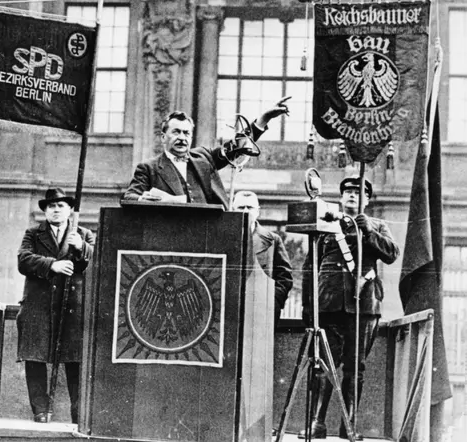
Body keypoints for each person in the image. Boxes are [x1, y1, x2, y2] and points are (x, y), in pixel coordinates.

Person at [299, 176, 399, 440]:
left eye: (359, 192)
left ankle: (349, 425)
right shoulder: (327, 224)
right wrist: (309, 307)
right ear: (342, 197)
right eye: (349, 192)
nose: (353, 195)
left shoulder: (377, 225)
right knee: (323, 366)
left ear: (367, 199)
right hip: (329, 303)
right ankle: (317, 424)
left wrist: (369, 232)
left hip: (364, 305)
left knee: (356, 368)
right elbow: (311, 266)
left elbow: (391, 254)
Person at [16, 188, 96, 424]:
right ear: (45, 211)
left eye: (61, 206)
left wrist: (82, 247)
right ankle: (40, 410)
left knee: (75, 361)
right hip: (39, 306)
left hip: (72, 307)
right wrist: (53, 265)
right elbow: (23, 260)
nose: (56, 210)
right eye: (51, 206)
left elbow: (100, 261)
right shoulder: (33, 233)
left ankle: (78, 414)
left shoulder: (84, 234)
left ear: (70, 210)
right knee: (36, 358)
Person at [122, 97, 291, 207]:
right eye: (176, 132)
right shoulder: (148, 168)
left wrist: (264, 119)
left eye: (186, 133)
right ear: (163, 137)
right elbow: (129, 196)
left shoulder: (204, 157)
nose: (182, 138)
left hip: (210, 234)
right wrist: (144, 199)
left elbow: (237, 146)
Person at [232, 190, 293, 325]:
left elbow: (285, 277)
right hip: (230, 309)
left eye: (250, 207)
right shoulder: (224, 238)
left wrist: (273, 302)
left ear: (258, 211)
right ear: (232, 209)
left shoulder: (273, 240)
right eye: (241, 207)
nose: (246, 211)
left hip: (262, 309)